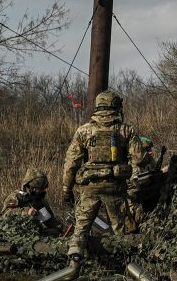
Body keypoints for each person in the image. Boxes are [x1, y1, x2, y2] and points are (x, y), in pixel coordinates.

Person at [61, 90, 146, 264]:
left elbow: (71, 164)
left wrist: (66, 189)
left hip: (89, 188)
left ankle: (74, 262)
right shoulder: (125, 130)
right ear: (116, 107)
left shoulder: (83, 131)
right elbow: (139, 159)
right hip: (115, 188)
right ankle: (127, 266)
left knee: (81, 229)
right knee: (121, 231)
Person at [0, 168, 67, 235]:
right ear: (30, 186)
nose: (40, 191)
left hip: (34, 231)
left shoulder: (39, 200)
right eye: (38, 188)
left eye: (42, 189)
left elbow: (48, 219)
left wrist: (61, 227)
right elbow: (5, 213)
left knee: (55, 232)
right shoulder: (16, 196)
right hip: (14, 230)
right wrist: (25, 212)